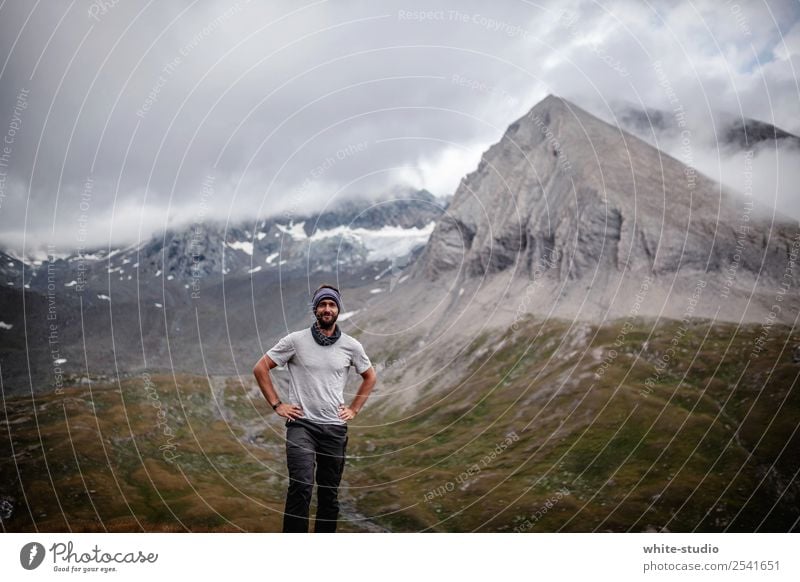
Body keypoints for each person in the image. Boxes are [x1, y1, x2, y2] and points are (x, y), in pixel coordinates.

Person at [252, 284, 377, 533]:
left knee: (329, 495)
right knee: (301, 486)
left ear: (338, 309)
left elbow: (370, 376)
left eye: (331, 304)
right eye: (322, 304)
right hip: (302, 426)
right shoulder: (295, 341)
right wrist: (277, 404)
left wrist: (354, 410)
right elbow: (260, 368)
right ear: (315, 309)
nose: (327, 309)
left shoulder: (351, 346)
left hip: (335, 428)